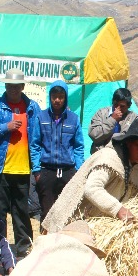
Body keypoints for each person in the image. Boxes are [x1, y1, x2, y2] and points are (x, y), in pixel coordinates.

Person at [42, 117, 138, 233]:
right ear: (129, 142)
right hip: (74, 220)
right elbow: (92, 188)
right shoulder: (108, 158)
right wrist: (118, 209)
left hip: (99, 227)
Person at [0, 68, 41, 258]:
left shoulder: (32, 107)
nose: (13, 89)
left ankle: (24, 247)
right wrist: (5, 127)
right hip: (1, 168)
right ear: (5, 86)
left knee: (21, 211)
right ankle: (0, 247)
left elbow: (38, 135)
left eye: (17, 86)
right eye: (10, 86)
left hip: (23, 168)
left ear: (22, 87)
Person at [35, 80, 85, 221]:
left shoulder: (73, 119)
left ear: (65, 97)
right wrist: (37, 171)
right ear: (50, 97)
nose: (57, 100)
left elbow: (78, 146)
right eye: (54, 96)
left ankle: (64, 242)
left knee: (68, 211)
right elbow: (35, 145)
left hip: (68, 171)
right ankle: (46, 242)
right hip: (46, 171)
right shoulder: (41, 117)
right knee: (47, 211)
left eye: (61, 96)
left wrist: (78, 170)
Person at [89, 88, 138, 153]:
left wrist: (111, 139)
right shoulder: (101, 113)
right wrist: (112, 119)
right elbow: (94, 135)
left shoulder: (133, 118)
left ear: (129, 105)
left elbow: (129, 138)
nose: (118, 108)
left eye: (122, 106)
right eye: (115, 104)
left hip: (122, 156)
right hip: (99, 154)